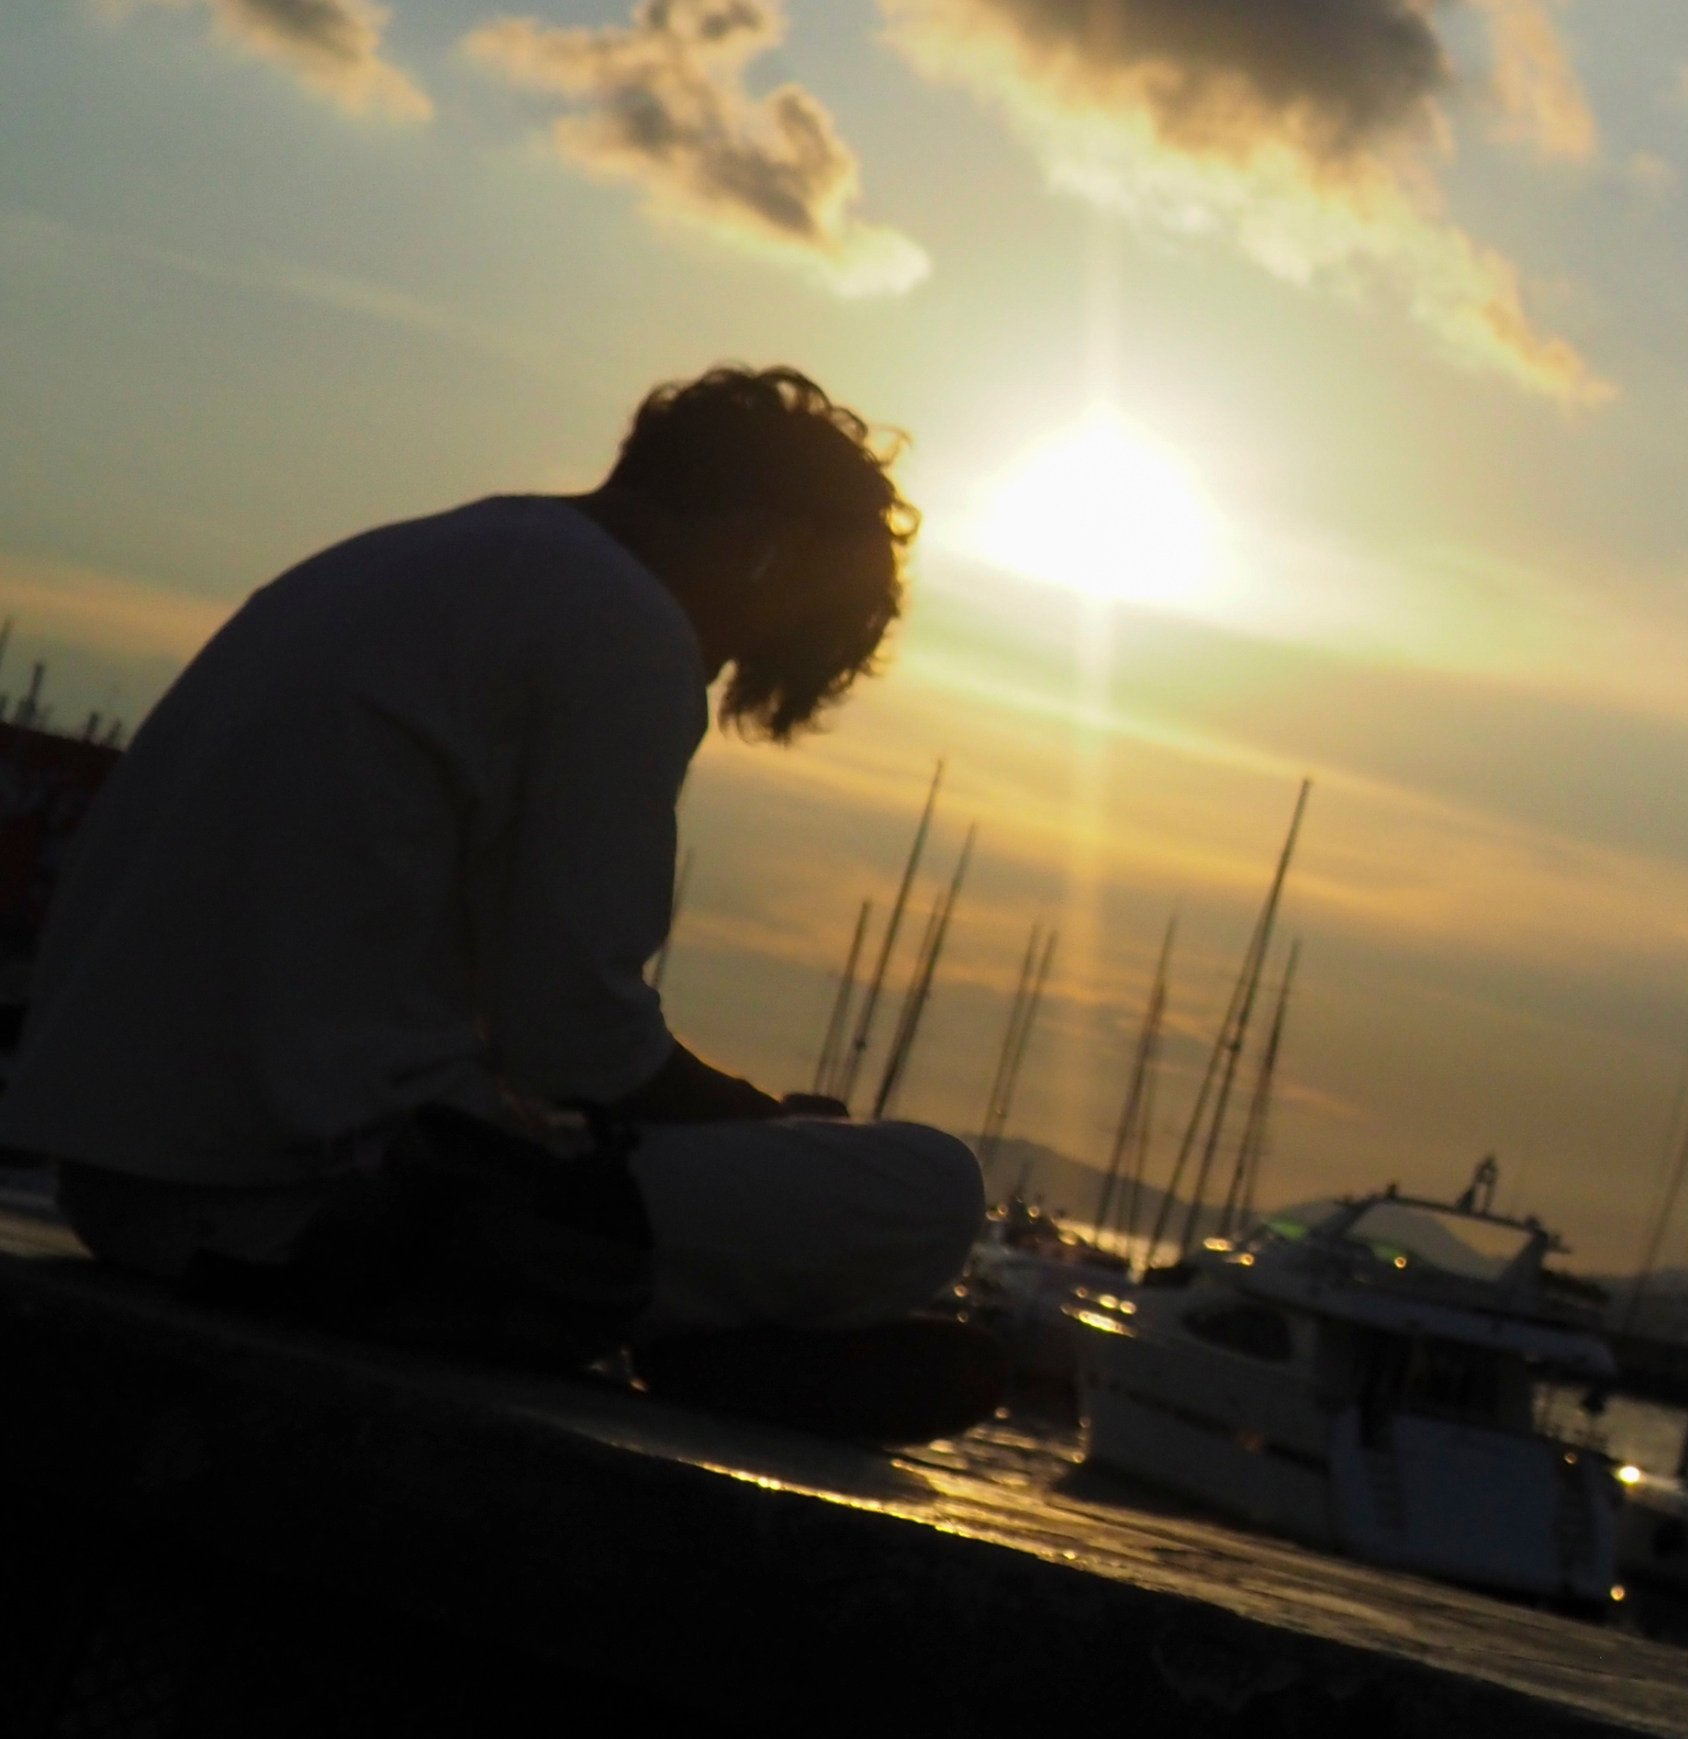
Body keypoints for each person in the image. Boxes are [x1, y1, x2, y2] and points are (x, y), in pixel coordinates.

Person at [0, 366, 1000, 1437]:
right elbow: (576, 1041)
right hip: (300, 1211)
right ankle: (685, 1324)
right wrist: (758, 1120)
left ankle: (676, 1320)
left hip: (116, 1190)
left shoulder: (392, 560)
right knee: (930, 1191)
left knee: (673, 1185)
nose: (710, 673)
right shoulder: (629, 623)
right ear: (767, 550)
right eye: (743, 653)